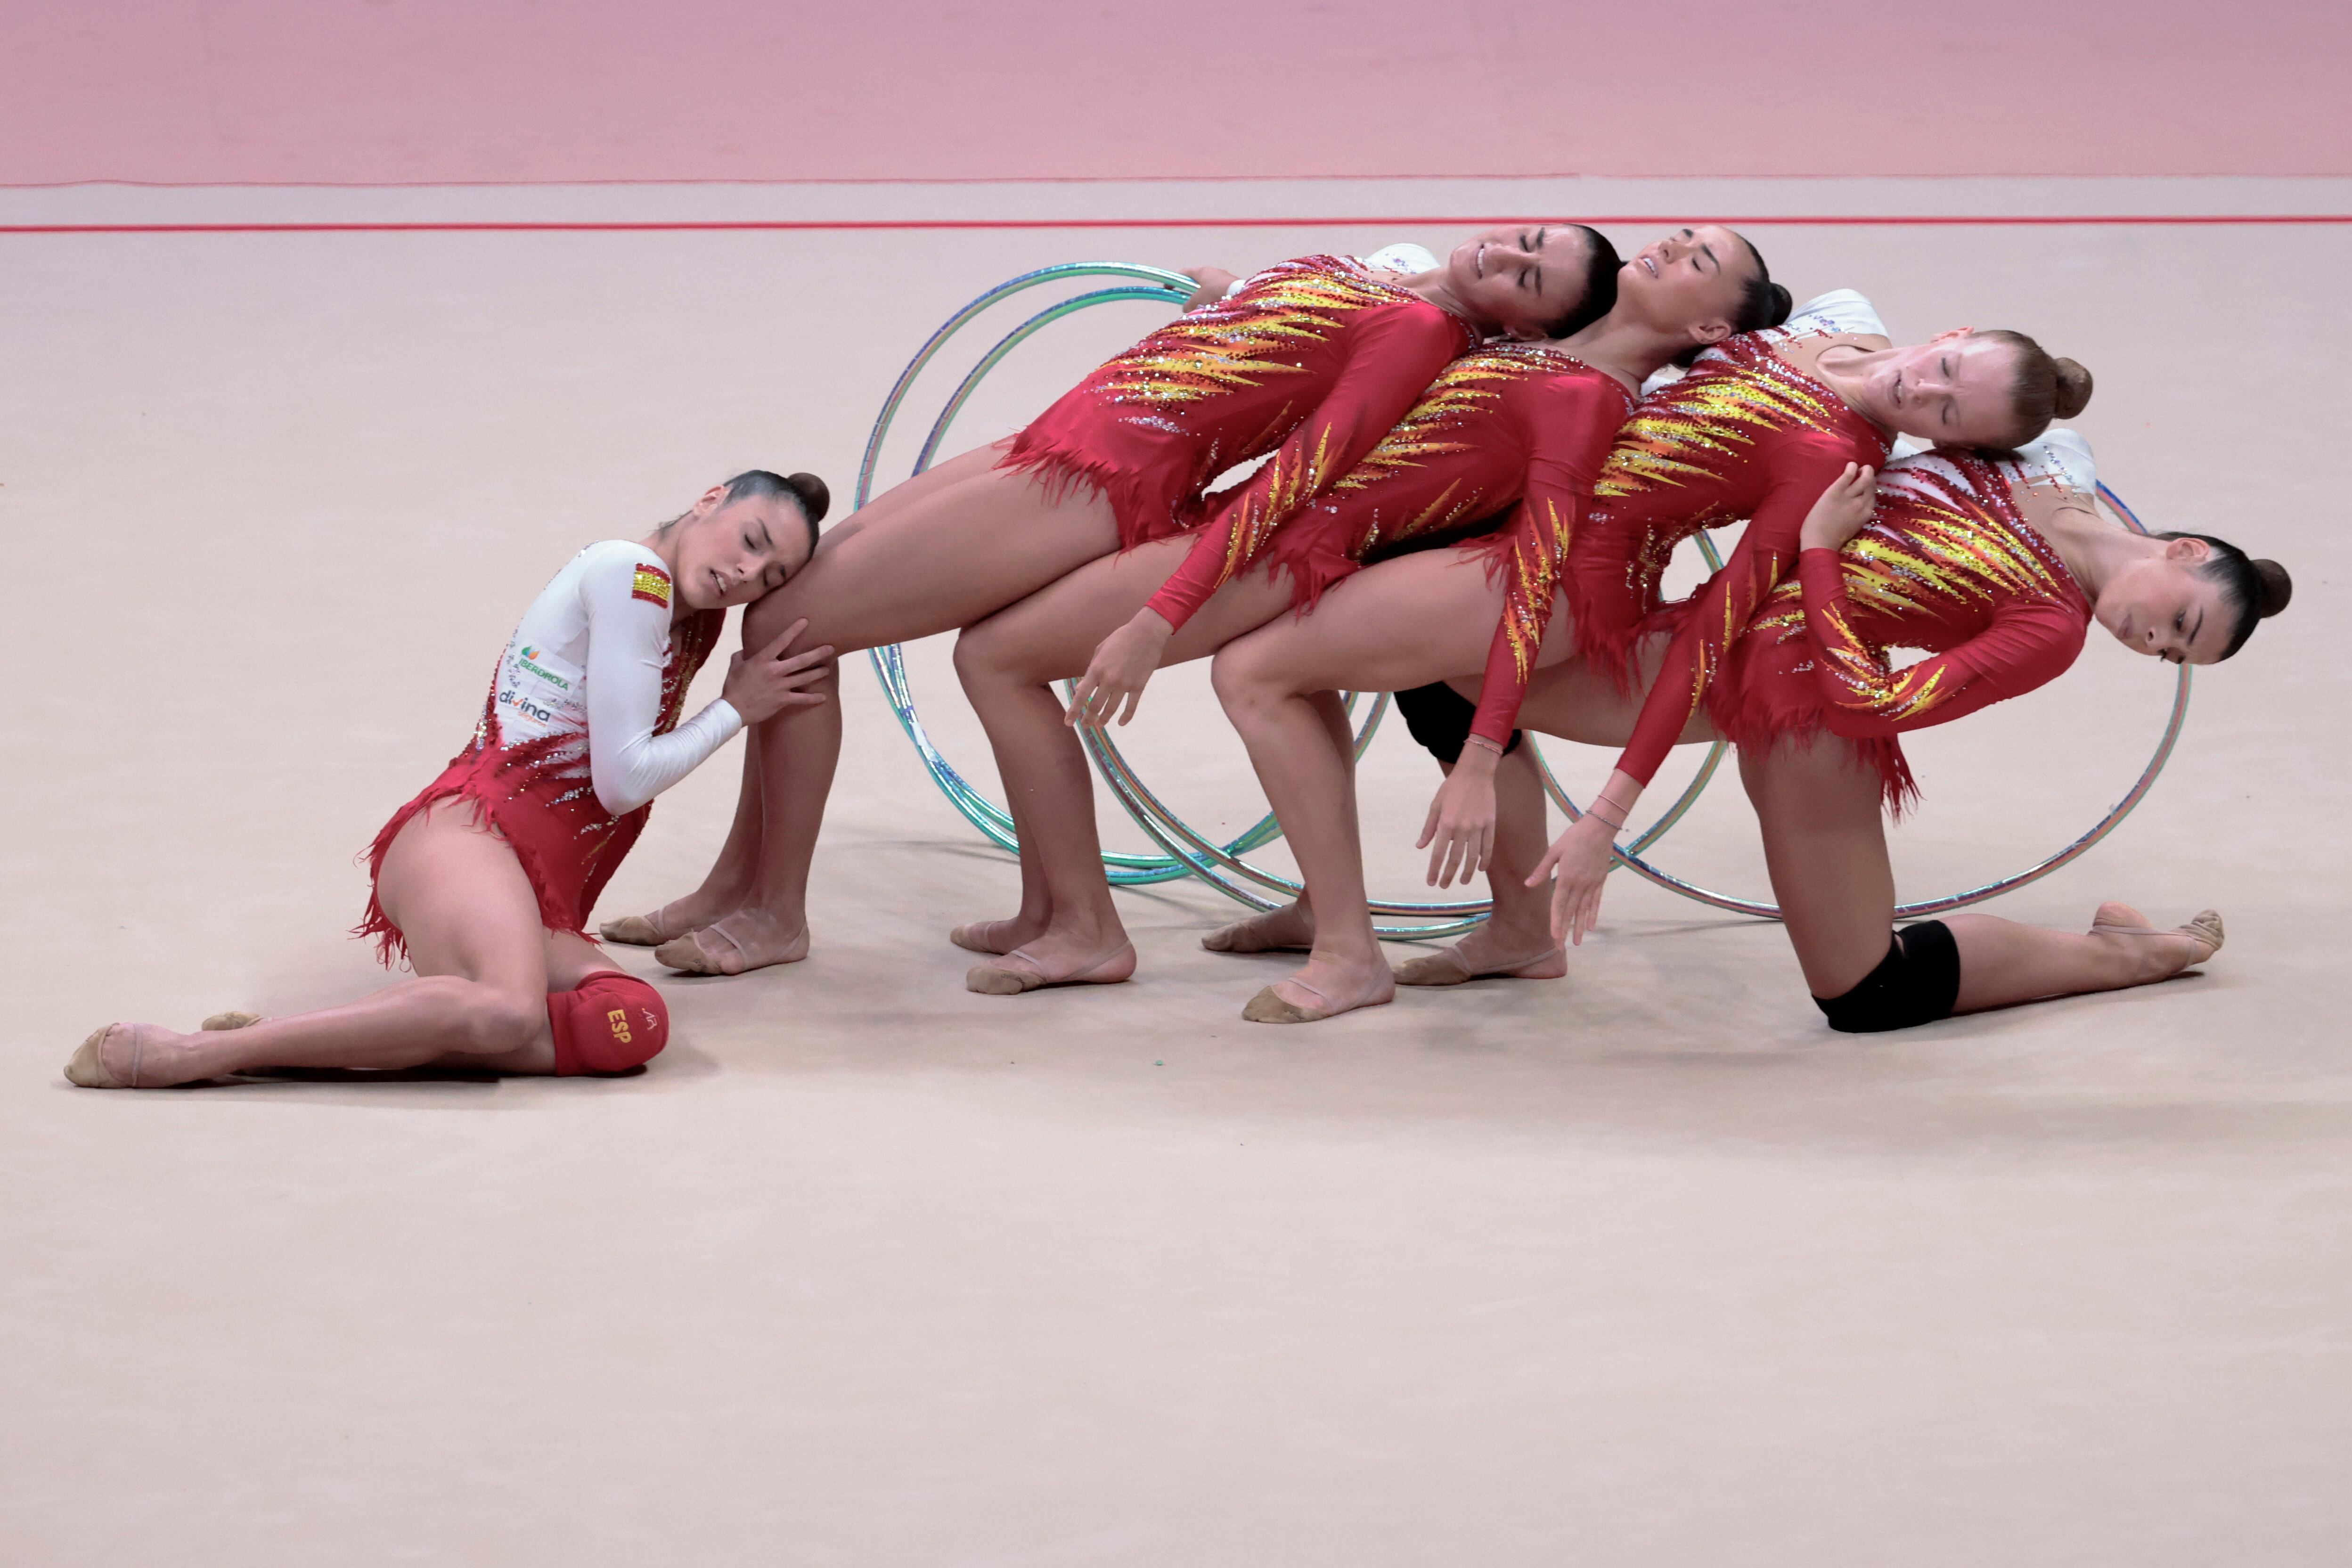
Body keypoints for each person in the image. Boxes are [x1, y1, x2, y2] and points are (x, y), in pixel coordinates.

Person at [603, 226, 1621, 975]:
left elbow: (1307, 465)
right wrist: (1225, 294)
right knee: (798, 621)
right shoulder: (1387, 273)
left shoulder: (1419, 330)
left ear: (1523, 327)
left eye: (1533, 280)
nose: (1511, 255)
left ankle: (784, 905)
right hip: (1067, 432)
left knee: (794, 622)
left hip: (1103, 480)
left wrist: (1163, 612)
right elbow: (1268, 321)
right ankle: (753, 884)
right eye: (1526, 237)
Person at [1209, 291, 2098, 1021]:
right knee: (1426, 662)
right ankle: (1509, 928)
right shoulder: (1826, 320)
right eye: (1944, 367)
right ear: (1949, 332)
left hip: (1661, 627)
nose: (1921, 390)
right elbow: (1660, 304)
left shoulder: (1844, 462)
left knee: (1867, 992)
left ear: (1948, 444)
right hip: (1517, 515)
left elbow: (1716, 632)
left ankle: (2128, 954)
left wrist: (1605, 817)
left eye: (1946, 412)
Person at [944, 225, 1766, 993]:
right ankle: (1406, 919)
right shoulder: (1538, 349)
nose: (1675, 245)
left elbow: (1542, 560)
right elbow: (1402, 345)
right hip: (1370, 540)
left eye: (1701, 262)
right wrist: (1241, 294)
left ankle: (1340, 947)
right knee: (1333, 683)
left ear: (1710, 330)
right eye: (1683, 237)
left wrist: (1482, 760)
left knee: (1253, 675)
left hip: (1403, 560)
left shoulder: (1586, 394)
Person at [64, 473, 834, 1089]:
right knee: (505, 1011)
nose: (746, 573)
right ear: (709, 500)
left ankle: (326, 1042)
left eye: (770, 576)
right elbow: (625, 779)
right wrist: (737, 708)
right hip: (473, 838)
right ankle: (203, 1056)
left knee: (627, 1018)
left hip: (529, 883)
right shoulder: (636, 577)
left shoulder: (684, 607)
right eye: (751, 540)